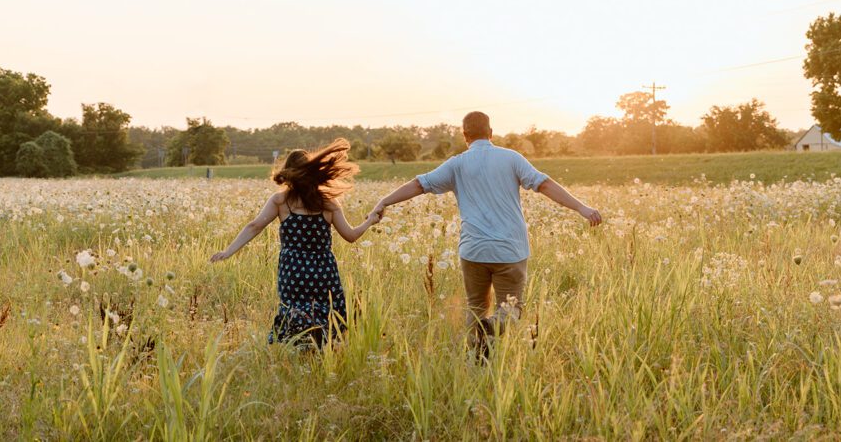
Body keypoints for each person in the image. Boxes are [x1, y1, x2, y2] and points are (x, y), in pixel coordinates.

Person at [369, 111, 601, 358]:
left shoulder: (456, 164)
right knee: (511, 310)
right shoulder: (511, 158)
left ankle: (477, 359)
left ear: (464, 135)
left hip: (473, 251)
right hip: (509, 250)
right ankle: (491, 328)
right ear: (491, 133)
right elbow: (544, 184)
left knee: (476, 307)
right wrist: (582, 208)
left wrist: (384, 201)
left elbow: (418, 184)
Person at [210, 139, 379, 349]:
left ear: (288, 171)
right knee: (327, 308)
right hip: (323, 269)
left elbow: (255, 226)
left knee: (294, 309)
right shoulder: (328, 204)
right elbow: (351, 235)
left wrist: (229, 251)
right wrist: (370, 221)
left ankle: (297, 348)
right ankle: (324, 349)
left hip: (293, 269)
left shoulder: (281, 201)